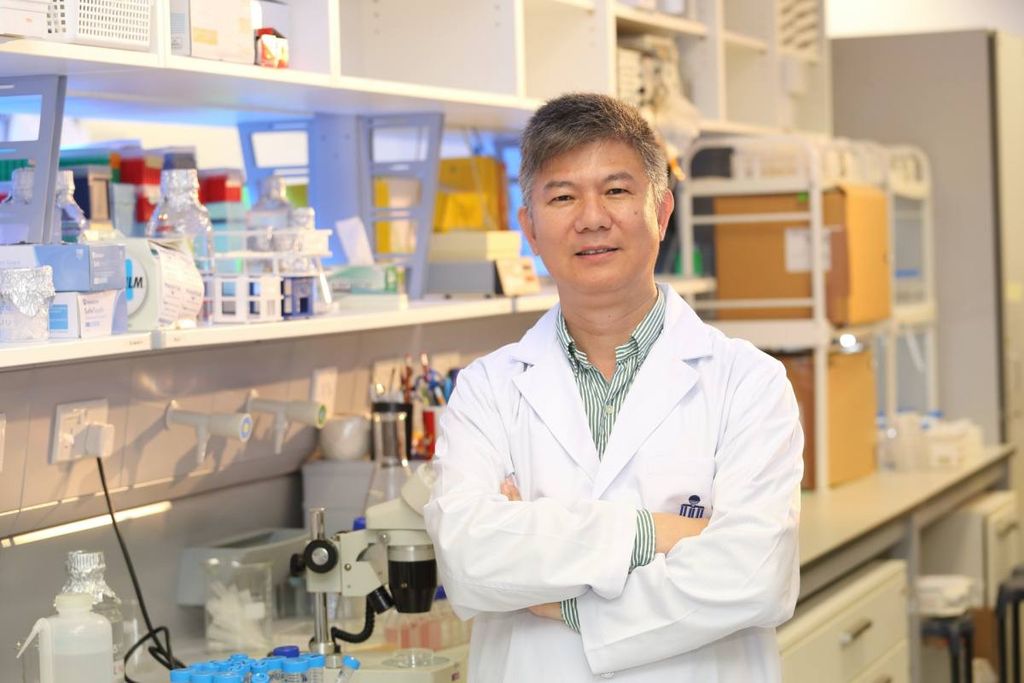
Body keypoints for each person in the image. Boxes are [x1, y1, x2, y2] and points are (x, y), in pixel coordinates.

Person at [423, 93, 804, 682]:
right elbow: (469, 562)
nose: (592, 218)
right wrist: (659, 532)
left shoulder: (748, 383)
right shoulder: (486, 390)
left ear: (662, 211)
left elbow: (755, 576)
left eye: (617, 190)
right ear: (529, 227)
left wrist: (565, 599)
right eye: (562, 196)